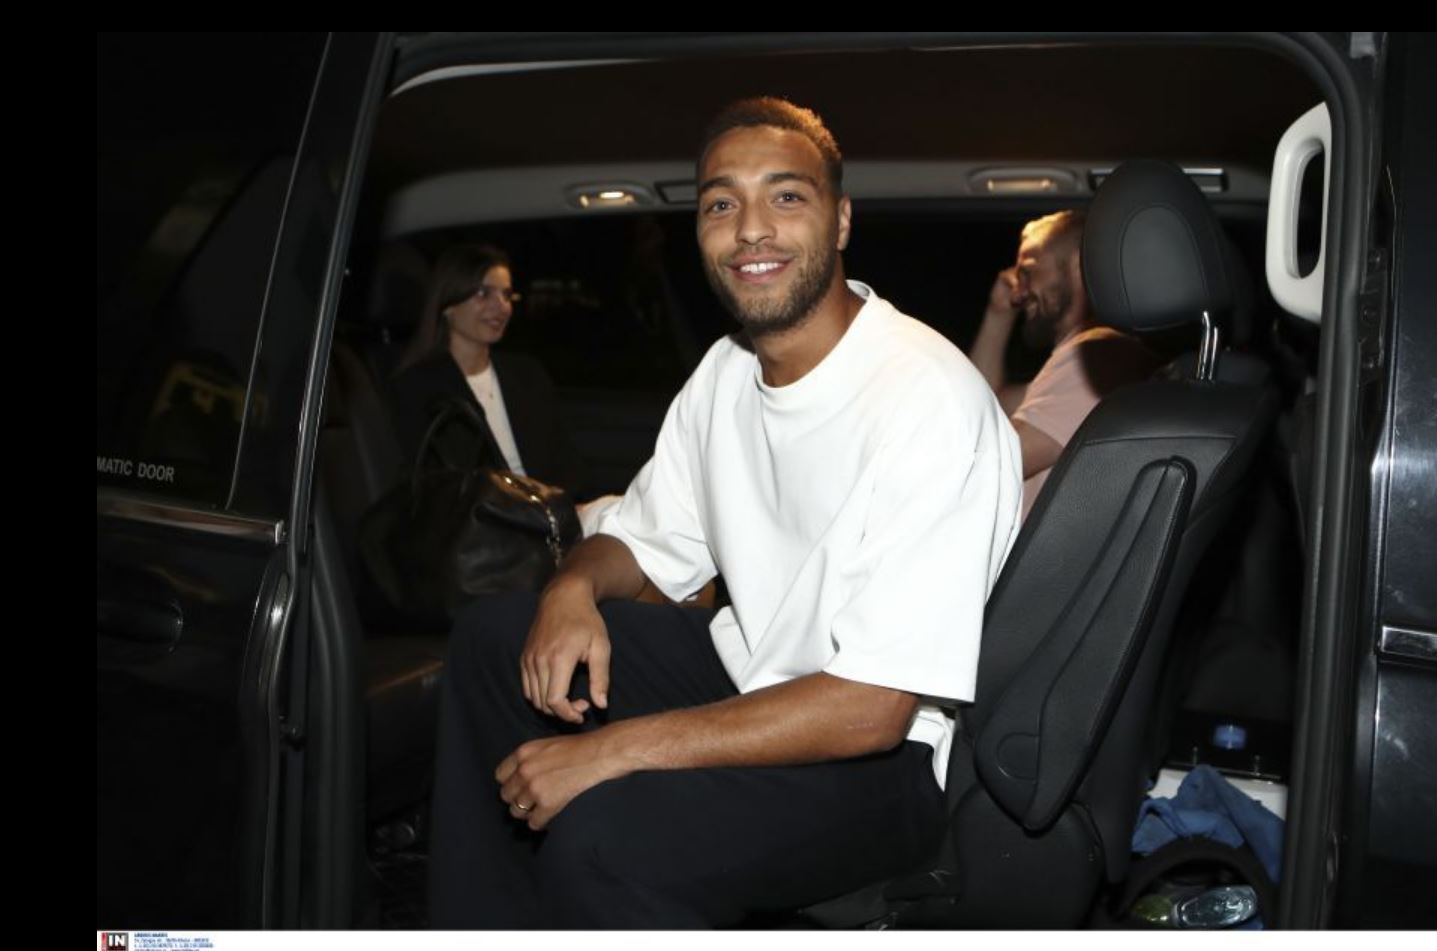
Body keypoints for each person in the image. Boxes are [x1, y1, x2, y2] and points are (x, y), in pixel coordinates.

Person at [428, 97, 1022, 928]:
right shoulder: (724, 372)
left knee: (602, 837)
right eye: (720, 204)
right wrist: (570, 589)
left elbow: (871, 707)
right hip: (750, 672)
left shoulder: (928, 398)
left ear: (840, 221)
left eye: (786, 196)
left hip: (883, 763)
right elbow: (639, 539)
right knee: (494, 638)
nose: (750, 229)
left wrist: (608, 752)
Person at [968, 211, 1160, 519]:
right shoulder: (1085, 359)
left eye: (1028, 272)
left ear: (1075, 265)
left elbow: (985, 463)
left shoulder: (1101, 354)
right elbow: (983, 406)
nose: (1018, 291)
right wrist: (998, 312)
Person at [392, 243, 585, 495]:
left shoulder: (528, 375)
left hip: (548, 511)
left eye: (506, 295)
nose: (502, 306)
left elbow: (566, 464)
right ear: (448, 305)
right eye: (484, 294)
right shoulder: (418, 388)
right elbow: (433, 486)